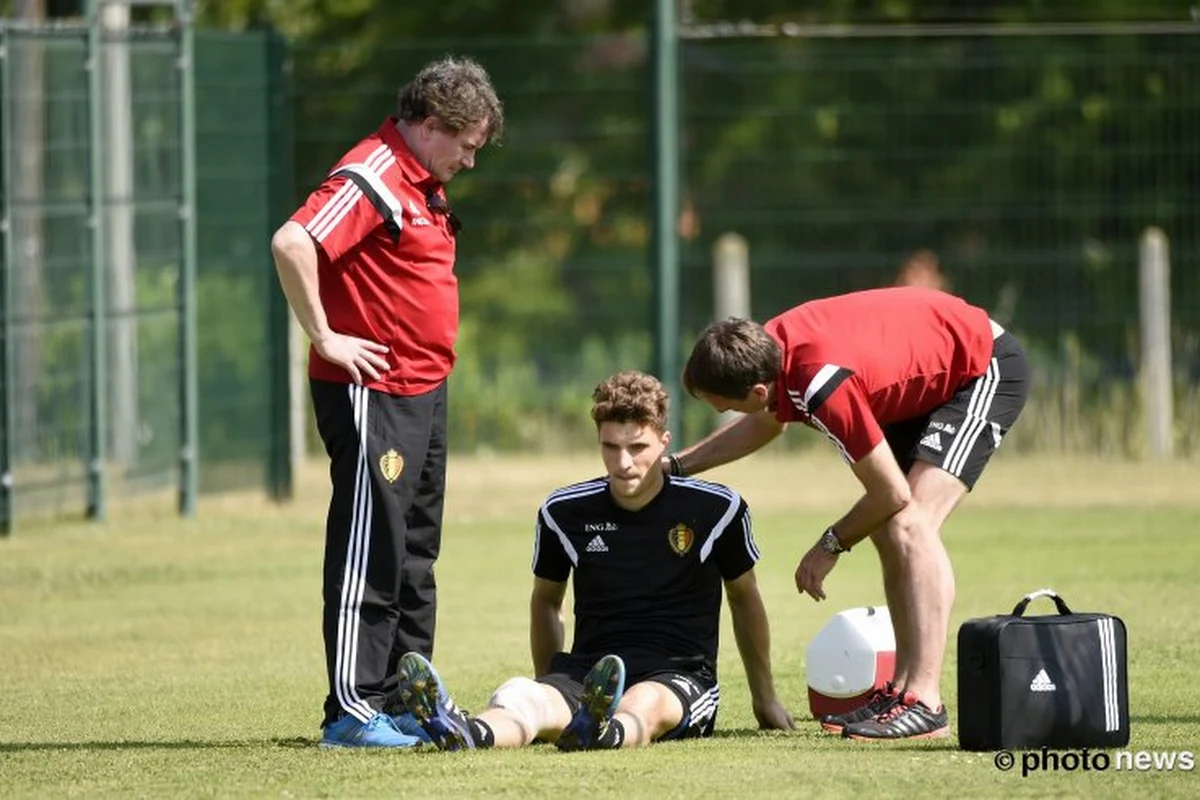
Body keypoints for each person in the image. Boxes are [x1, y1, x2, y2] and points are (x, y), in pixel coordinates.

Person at [671, 286, 1029, 741]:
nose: (721, 412)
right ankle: (901, 693)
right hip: (921, 378)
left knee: (909, 522)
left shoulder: (819, 383)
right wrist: (676, 467)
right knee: (888, 529)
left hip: (981, 366)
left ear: (759, 389)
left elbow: (891, 494)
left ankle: (925, 702)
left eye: (723, 405)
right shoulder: (769, 351)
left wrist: (830, 544)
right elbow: (765, 423)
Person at [270, 56, 504, 748]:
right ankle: (353, 708)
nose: (470, 162)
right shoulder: (373, 173)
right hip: (372, 391)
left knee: (415, 553)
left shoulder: (420, 180)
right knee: (371, 548)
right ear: (431, 125)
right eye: (466, 147)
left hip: (424, 391)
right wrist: (325, 335)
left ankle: (407, 695)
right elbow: (293, 242)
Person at [391, 370, 794, 751]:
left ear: (664, 441)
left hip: (678, 676)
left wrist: (766, 699)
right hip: (589, 673)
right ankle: (468, 732)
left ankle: (604, 732)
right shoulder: (564, 512)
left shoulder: (716, 509)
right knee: (523, 696)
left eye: (637, 448)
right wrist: (547, 680)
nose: (623, 463)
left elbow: (744, 597)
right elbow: (547, 601)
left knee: (645, 701)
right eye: (610, 447)